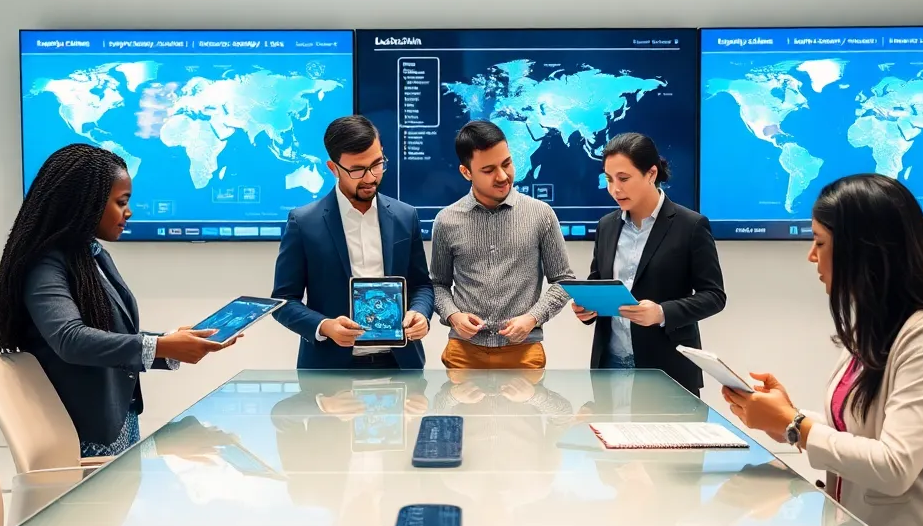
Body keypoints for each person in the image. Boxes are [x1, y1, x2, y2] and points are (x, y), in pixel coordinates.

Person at [721, 173, 923, 526]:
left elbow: (894, 466)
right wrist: (786, 419)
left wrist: (796, 426)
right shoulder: (880, 324)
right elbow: (861, 434)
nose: (811, 256)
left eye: (820, 242)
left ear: (864, 250)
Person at [0, 144, 234, 458]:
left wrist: (170, 344)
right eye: (121, 202)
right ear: (84, 202)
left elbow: (108, 332)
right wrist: (161, 346)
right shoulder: (45, 264)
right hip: (85, 436)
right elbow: (71, 339)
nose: (128, 212)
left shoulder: (91, 254)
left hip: (118, 421)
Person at [271, 115, 434, 370]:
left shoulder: (405, 216)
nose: (370, 178)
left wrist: (421, 313)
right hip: (330, 370)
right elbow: (283, 301)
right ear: (333, 168)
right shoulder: (304, 222)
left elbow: (422, 285)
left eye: (377, 164)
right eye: (357, 170)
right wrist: (325, 326)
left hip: (400, 364)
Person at [571, 133, 726, 391]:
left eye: (623, 178)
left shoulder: (691, 225)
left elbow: (714, 296)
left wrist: (661, 313)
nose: (615, 189)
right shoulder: (606, 226)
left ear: (651, 173)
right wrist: (587, 308)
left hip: (667, 370)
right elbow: (598, 281)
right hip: (609, 368)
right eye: (609, 179)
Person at [430, 120, 575, 370]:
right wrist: (453, 316)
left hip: (524, 351)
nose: (502, 176)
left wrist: (533, 318)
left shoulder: (541, 214)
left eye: (506, 163)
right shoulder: (446, 220)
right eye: (488, 170)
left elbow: (564, 281)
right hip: (464, 351)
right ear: (466, 172)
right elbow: (437, 284)